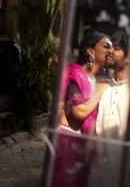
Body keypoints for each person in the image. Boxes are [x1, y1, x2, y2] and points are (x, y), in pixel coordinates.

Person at [51, 31, 113, 187]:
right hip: (67, 140)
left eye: (112, 48)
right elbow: (79, 112)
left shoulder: (95, 78)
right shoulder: (74, 72)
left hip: (82, 144)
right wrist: (99, 91)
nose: (110, 51)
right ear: (90, 51)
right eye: (106, 46)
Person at [96, 29, 130, 139]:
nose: (110, 51)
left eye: (117, 48)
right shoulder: (103, 87)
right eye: (110, 47)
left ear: (128, 58)